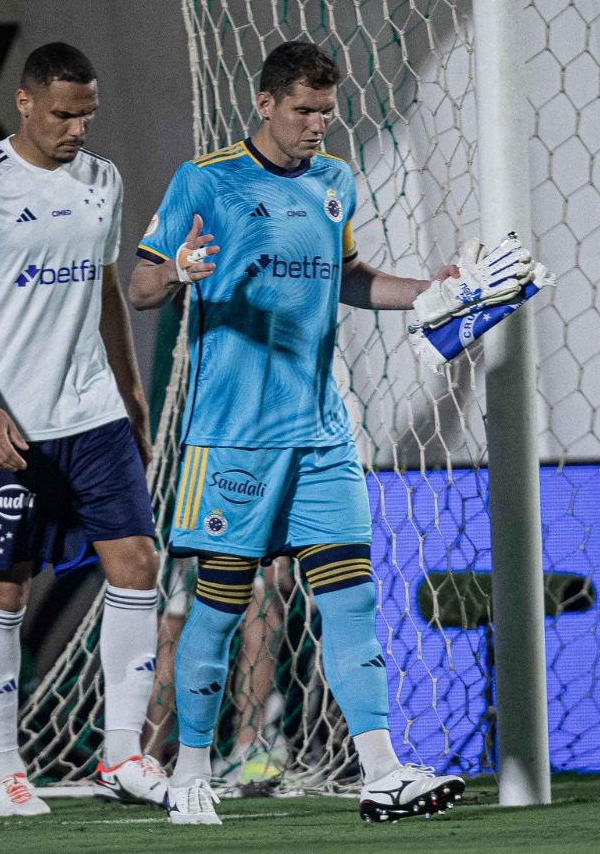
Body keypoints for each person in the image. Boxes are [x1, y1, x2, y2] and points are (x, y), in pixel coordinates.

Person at [128, 41, 470, 825]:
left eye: (327, 110)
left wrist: (431, 290)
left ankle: (381, 771)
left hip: (321, 436)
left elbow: (350, 278)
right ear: (265, 102)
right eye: (304, 110)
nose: (318, 125)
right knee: (216, 609)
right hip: (233, 439)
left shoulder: (334, 183)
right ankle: (189, 773)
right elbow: (141, 284)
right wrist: (179, 269)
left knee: (350, 598)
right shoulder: (205, 181)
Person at [0, 42, 168, 818]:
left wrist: (131, 392)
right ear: (26, 103)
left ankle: (121, 754)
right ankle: (4, 769)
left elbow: (103, 288)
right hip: (11, 426)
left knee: (137, 562)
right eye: (63, 114)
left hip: (92, 413)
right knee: (2, 589)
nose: (76, 130)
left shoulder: (103, 181)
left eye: (87, 116)